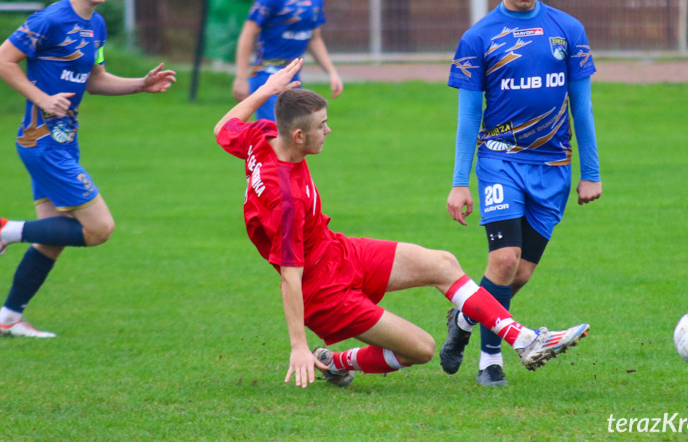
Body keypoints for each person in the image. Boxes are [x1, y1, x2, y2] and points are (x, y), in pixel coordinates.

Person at [215, 59, 589, 389]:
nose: (328, 131)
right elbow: (290, 277)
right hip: (323, 291)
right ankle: (335, 361)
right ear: (298, 135)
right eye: (322, 126)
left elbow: (223, 128)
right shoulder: (286, 199)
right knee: (421, 350)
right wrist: (298, 345)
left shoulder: (262, 135)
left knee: (442, 262)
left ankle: (524, 341)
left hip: (336, 250)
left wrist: (266, 89)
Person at [0, 0, 177, 338]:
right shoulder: (49, 20)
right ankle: (4, 231)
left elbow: (96, 80)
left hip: (64, 141)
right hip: (42, 142)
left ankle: (9, 318)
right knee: (99, 228)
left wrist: (140, 84)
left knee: (53, 237)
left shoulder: (95, 25)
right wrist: (41, 97)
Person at [441, 0, 602, 387]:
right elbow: (469, 116)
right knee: (505, 261)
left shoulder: (568, 30)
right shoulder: (478, 38)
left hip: (553, 168)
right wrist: (459, 181)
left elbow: (582, 107)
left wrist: (590, 173)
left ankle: (466, 317)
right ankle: (490, 362)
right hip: (500, 162)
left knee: (522, 272)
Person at [231, 0, 343, 121]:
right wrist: (240, 78)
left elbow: (314, 39)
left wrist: (332, 72)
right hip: (267, 74)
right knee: (276, 134)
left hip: (293, 77)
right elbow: (247, 34)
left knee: (295, 136)